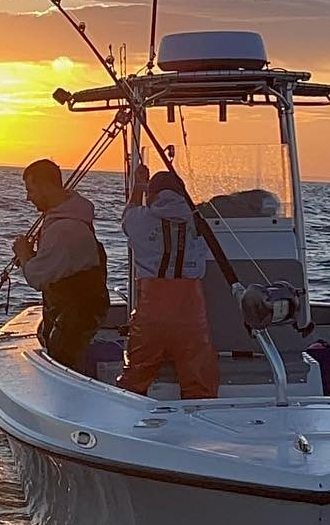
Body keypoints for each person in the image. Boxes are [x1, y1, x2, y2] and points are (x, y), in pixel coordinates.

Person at [118, 165, 219, 399]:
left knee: (136, 374)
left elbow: (128, 216)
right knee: (199, 379)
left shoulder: (141, 218)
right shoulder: (200, 220)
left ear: (152, 195)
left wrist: (138, 187)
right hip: (191, 313)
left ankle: (130, 420)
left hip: (151, 312)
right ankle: (200, 424)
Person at [12, 159, 108, 373]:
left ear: (46, 186)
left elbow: (37, 278)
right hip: (74, 309)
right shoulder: (68, 216)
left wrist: (24, 254)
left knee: (63, 368)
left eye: (31, 190)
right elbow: (62, 263)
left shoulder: (64, 228)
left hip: (77, 315)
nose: (28, 197)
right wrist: (32, 256)